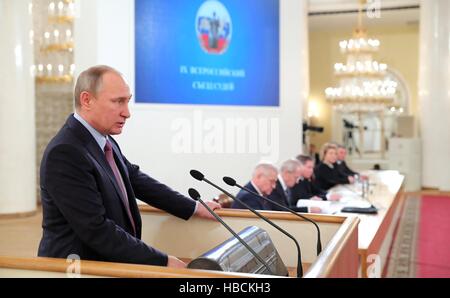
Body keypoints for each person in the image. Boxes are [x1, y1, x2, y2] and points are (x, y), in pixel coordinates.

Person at [38, 65, 221, 268]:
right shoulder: (65, 152)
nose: (127, 113)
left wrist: (193, 207)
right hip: (78, 269)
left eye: (127, 101)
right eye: (118, 102)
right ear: (87, 100)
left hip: (106, 265)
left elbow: (135, 179)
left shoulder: (103, 139)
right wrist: (162, 261)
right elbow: (96, 229)